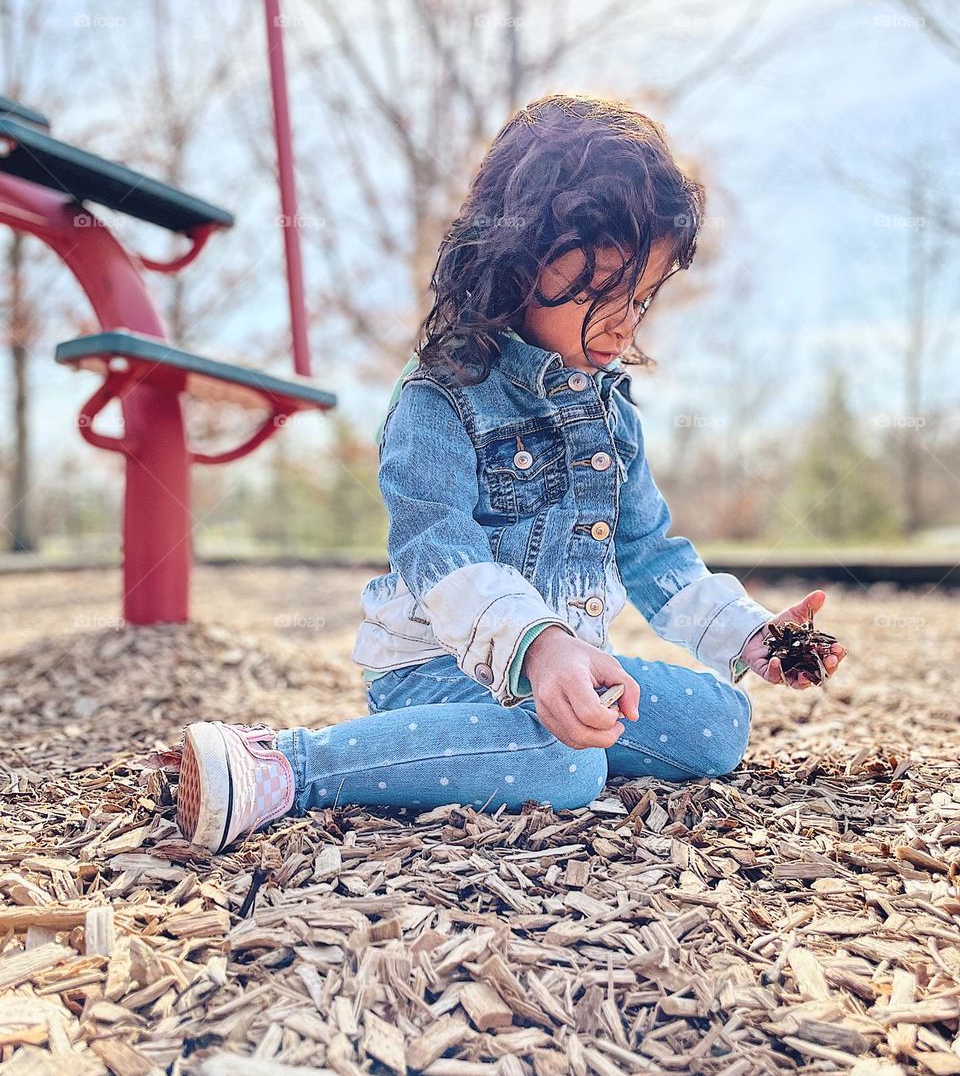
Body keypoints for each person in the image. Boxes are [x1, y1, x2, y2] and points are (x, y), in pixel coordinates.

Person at [173, 93, 847, 855]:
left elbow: (653, 554)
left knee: (720, 724)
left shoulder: (610, 412)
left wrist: (752, 634)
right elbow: (439, 549)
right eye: (603, 291)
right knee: (566, 765)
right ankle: (289, 766)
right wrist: (536, 646)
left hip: (563, 674)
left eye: (643, 295)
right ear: (518, 259)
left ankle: (498, 741)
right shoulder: (440, 399)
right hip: (443, 670)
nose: (626, 323)